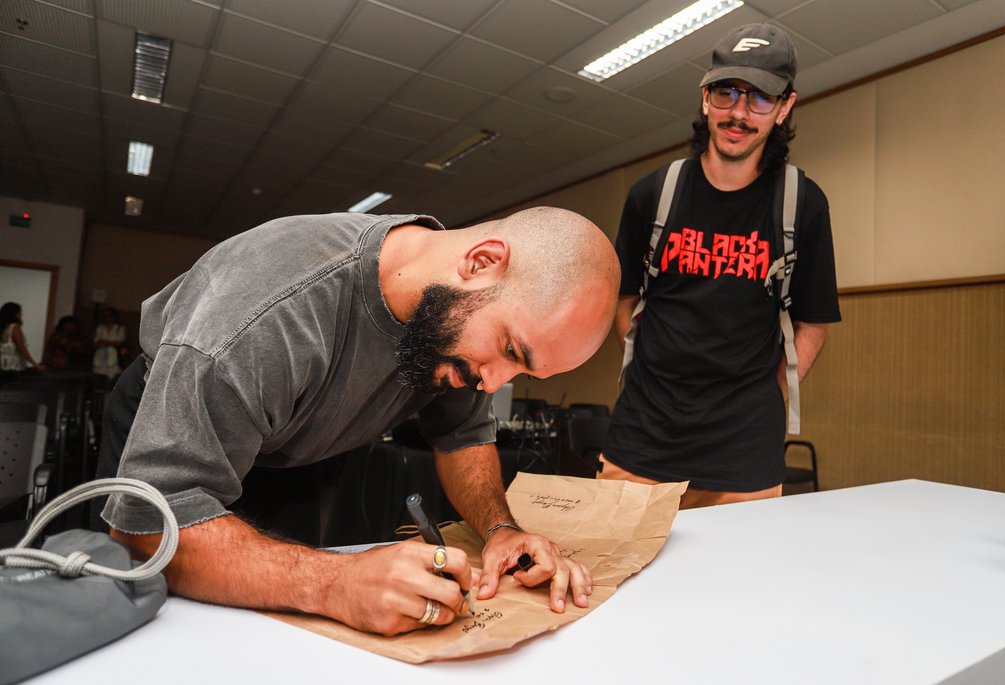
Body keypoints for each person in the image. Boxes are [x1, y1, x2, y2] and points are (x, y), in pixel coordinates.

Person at [95, 207, 619, 636]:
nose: (494, 382)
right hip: (172, 432)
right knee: (151, 629)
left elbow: (462, 437)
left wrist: (500, 530)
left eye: (522, 371)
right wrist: (333, 582)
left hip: (290, 456)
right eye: (509, 349)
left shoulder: (449, 316)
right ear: (481, 261)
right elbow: (150, 524)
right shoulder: (269, 313)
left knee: (281, 632)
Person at [601, 23, 841, 508]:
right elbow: (622, 296)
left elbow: (813, 322)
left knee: (738, 581)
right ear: (705, 98)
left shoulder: (803, 204)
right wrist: (653, 361)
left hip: (744, 449)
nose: (739, 113)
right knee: (618, 576)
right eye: (727, 93)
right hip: (643, 436)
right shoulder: (653, 194)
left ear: (785, 108)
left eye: (759, 99)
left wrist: (765, 399)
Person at [0, 302, 45, 372]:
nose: (21, 315)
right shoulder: (15, 328)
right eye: (20, 312)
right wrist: (35, 364)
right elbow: (21, 347)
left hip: (3, 364)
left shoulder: (3, 327)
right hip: (13, 365)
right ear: (15, 314)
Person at [92, 306, 126, 378]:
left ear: (114, 316)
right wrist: (111, 342)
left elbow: (119, 343)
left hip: (114, 357)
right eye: (105, 315)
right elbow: (95, 344)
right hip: (100, 356)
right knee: (98, 375)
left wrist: (104, 341)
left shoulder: (119, 328)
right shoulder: (100, 328)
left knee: (112, 375)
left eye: (109, 315)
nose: (107, 318)